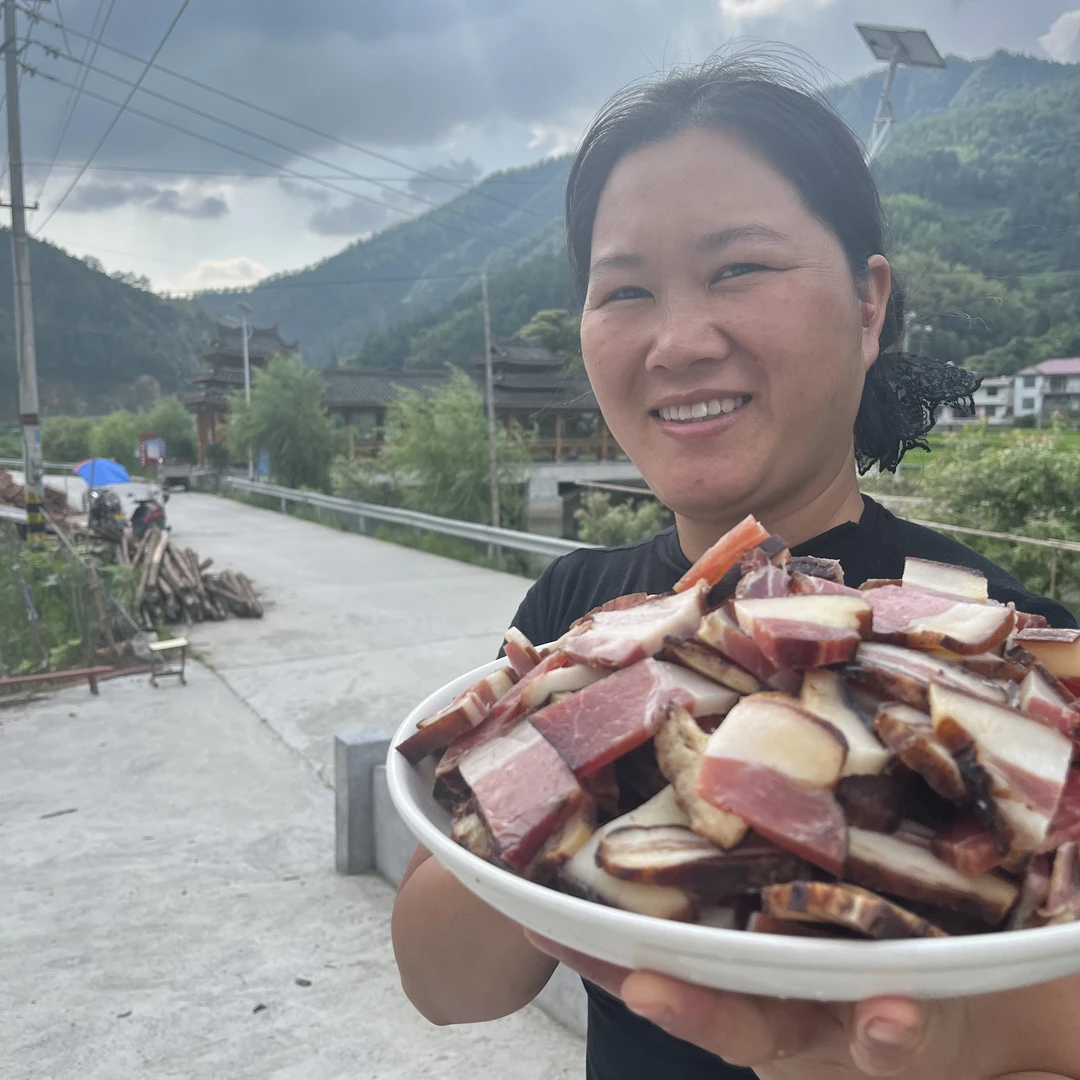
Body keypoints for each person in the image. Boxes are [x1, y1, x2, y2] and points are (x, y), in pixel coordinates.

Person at [392, 54, 1080, 1080]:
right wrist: (583, 738)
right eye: (624, 289)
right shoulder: (575, 616)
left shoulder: (1015, 654)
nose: (678, 341)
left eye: (737, 270)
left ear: (867, 303)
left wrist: (949, 1049)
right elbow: (447, 989)